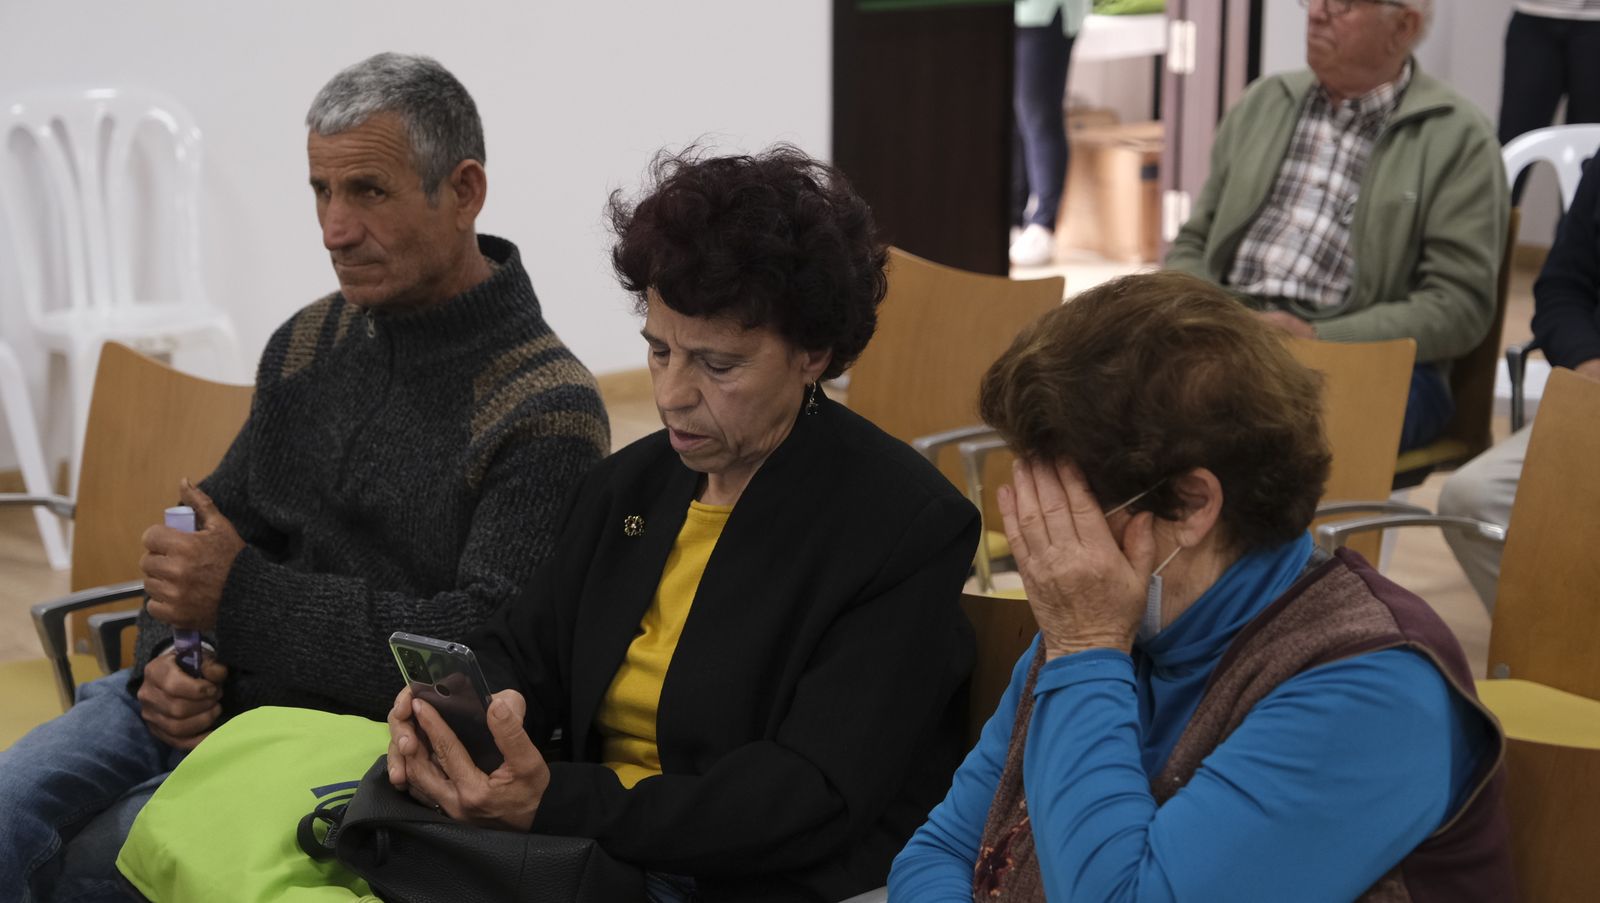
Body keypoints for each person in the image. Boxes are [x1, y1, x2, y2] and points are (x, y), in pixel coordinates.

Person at [0, 52, 609, 901]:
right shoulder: (306, 342)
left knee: (90, 871)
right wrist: (171, 659)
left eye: (368, 191)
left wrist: (239, 600)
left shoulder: (546, 412)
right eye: (321, 191)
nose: (333, 229)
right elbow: (201, 531)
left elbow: (475, 656)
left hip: (337, 746)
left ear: (464, 190)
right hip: (204, 703)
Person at [383, 146, 981, 903]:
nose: (671, 394)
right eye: (659, 351)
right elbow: (524, 648)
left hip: (745, 878)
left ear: (813, 354)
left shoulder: (903, 526)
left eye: (717, 366)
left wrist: (557, 804)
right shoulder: (629, 485)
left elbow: (809, 793)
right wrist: (460, 718)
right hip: (590, 852)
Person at [889, 272, 1513, 902]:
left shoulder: (1371, 689)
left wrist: (1086, 648)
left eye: (1067, 508)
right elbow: (940, 849)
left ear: (1191, 504)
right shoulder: (1103, 613)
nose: (1042, 540)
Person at [1165, 0, 1508, 453]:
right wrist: (1217, 318)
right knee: (1104, 391)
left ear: (1402, 27)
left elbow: (1459, 306)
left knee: (1229, 428)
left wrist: (1317, 338)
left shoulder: (1457, 137)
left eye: (1341, 4)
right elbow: (1194, 241)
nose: (1316, 13)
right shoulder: (1265, 101)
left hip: (1368, 358)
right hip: (1232, 334)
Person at [1440, 149, 1600, 609]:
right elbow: (1562, 289)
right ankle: (1555, 644)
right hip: (1592, 402)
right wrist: (1587, 361)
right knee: (1472, 501)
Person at [1009, 0, 1091, 268]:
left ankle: (1043, 224)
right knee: (1015, 117)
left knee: (1039, 114)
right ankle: (1015, 218)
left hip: (1046, 11)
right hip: (1010, 13)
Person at [1499, 0, 1600, 202]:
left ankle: (1575, 225)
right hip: (1534, 14)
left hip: (1595, 19)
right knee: (1513, 143)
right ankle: (1491, 221)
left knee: (1588, 154)